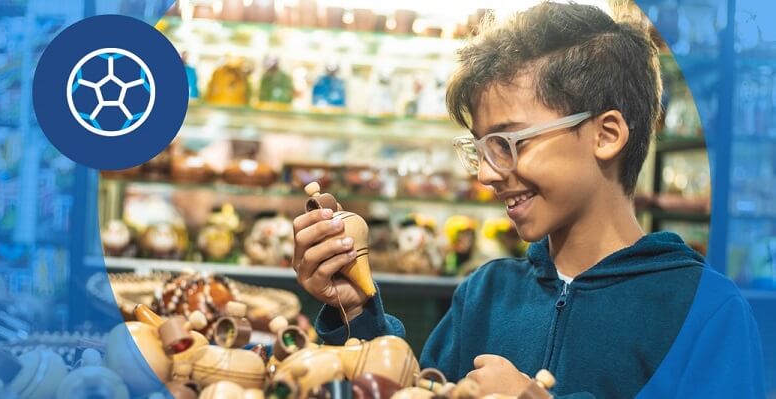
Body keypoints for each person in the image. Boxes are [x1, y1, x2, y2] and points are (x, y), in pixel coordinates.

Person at [291, 3, 765, 397]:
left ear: (607, 134)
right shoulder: (486, 294)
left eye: (510, 143)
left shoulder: (705, 312)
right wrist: (357, 311)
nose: (489, 174)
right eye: (480, 149)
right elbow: (414, 388)